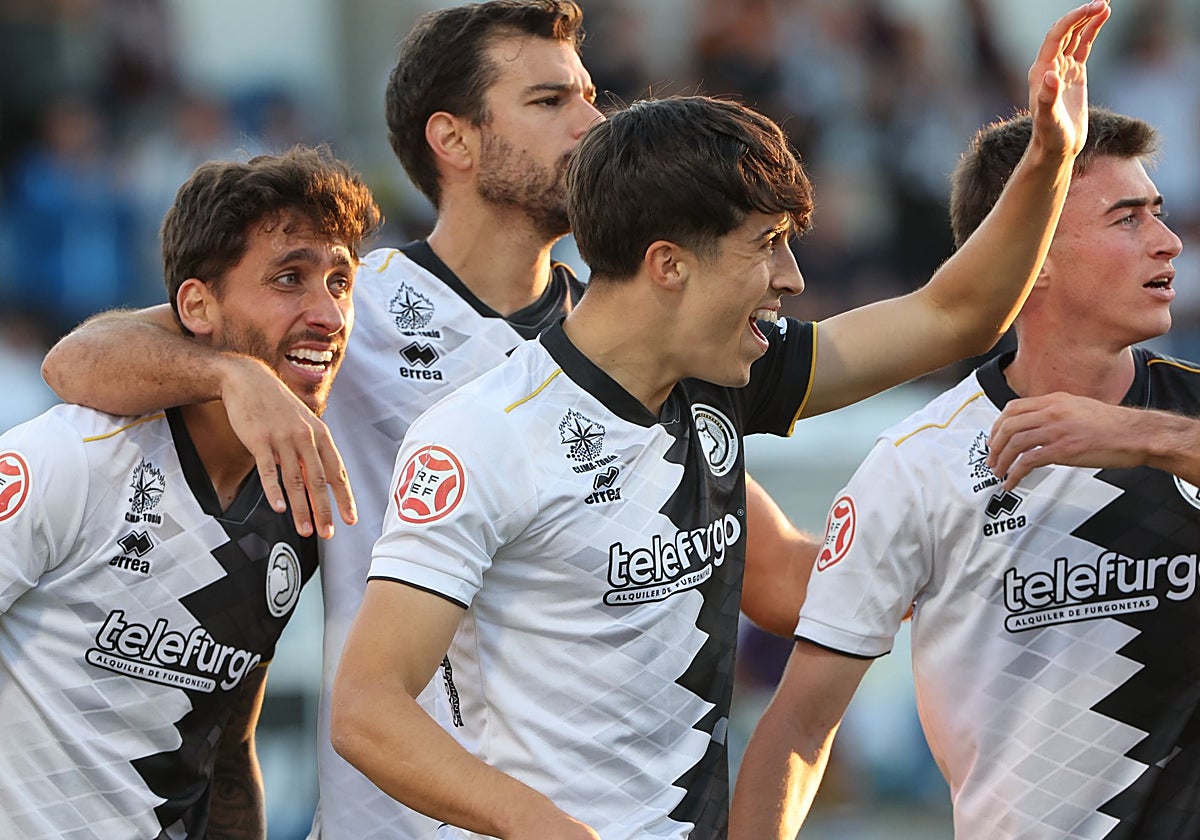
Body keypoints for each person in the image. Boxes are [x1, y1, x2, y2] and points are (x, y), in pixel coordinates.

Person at [329, 4, 1111, 837]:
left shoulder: (720, 377)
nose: (793, 278)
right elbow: (366, 708)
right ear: (668, 265)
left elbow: (956, 315)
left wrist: (1050, 156)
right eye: (766, 244)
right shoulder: (476, 426)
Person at [41, 4, 815, 838]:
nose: (595, 123)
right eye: (552, 101)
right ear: (453, 139)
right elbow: (79, 361)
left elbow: (773, 577)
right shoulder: (349, 309)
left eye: (592, 96)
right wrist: (232, 374)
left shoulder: (627, 345)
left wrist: (937, 517)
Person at [727, 101, 1200, 839]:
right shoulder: (921, 465)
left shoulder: (1182, 419)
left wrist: (1145, 438)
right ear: (1032, 254)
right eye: (1129, 219)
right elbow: (798, 727)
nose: (1169, 242)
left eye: (1159, 214)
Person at [0, 146, 380, 840]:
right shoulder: (72, 459)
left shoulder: (293, 502)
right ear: (196, 306)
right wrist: (233, 375)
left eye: (340, 281)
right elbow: (70, 358)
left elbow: (227, 747)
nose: (328, 314)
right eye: (289, 278)